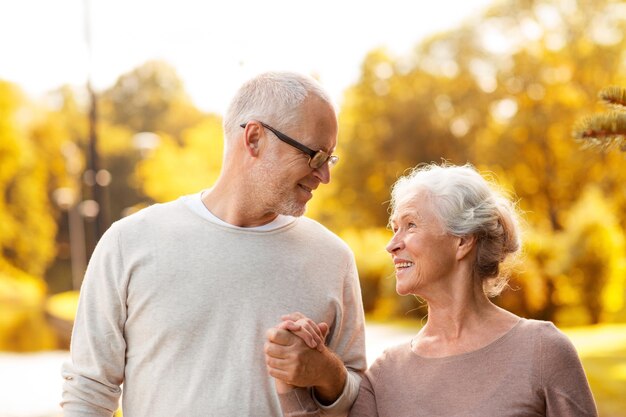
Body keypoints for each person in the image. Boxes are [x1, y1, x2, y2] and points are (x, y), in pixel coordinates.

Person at [61, 71, 367, 417]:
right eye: (315, 156)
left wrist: (326, 372)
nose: (325, 175)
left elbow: (360, 400)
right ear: (254, 138)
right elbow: (87, 393)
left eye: (330, 159)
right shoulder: (129, 242)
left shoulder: (332, 257)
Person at [271, 163, 598, 417]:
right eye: (394, 228)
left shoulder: (543, 351)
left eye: (410, 225)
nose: (391, 245)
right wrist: (291, 379)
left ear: (462, 240)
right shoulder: (386, 374)